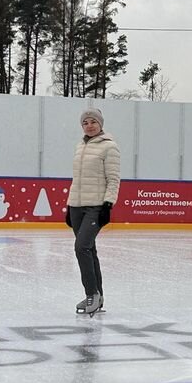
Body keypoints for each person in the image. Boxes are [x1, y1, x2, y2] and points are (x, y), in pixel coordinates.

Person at [66, 107, 120, 316]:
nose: (89, 126)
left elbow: (113, 179)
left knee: (81, 248)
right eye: (85, 123)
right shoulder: (80, 146)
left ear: (100, 124)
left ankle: (91, 294)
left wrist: (108, 204)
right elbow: (77, 180)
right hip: (77, 206)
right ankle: (99, 296)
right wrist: (69, 205)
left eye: (93, 122)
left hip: (95, 206)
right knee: (90, 250)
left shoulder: (109, 146)